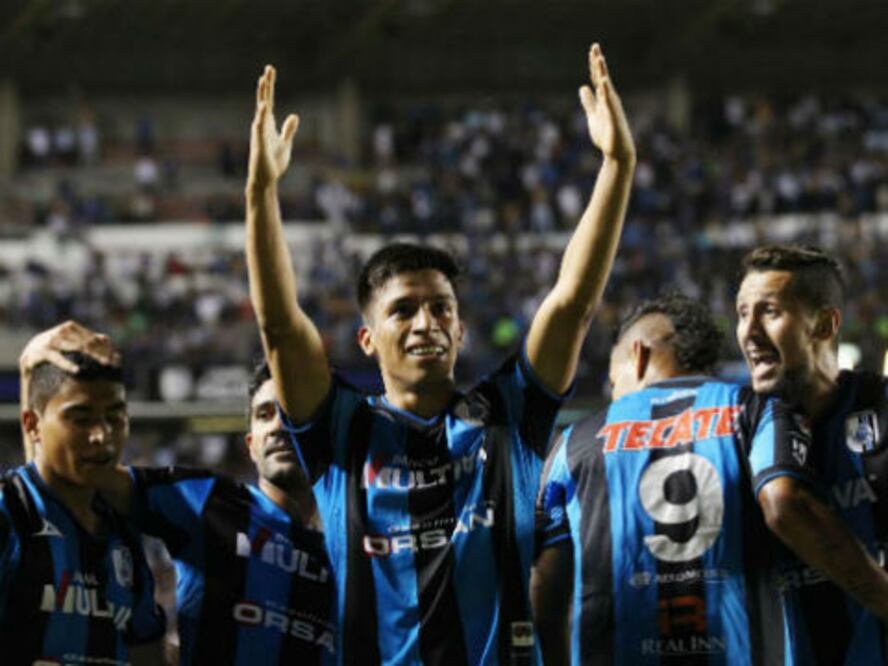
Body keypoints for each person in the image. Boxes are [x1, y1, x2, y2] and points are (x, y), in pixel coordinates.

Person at [245, 43, 635, 664]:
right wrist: (261, 192)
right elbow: (279, 327)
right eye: (403, 310)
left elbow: (572, 304)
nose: (425, 322)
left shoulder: (510, 413)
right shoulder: (340, 429)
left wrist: (617, 165)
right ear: (367, 339)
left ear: (460, 331)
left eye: (441, 309)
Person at [19, 322, 338, 665]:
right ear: (251, 445)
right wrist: (29, 373)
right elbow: (62, 476)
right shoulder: (207, 500)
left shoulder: (363, 542)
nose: (278, 426)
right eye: (264, 415)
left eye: (293, 414)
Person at [533, 294, 792, 665]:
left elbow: (546, 589)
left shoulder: (574, 442)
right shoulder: (757, 411)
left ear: (637, 354)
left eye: (612, 378)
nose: (613, 391)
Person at [736, 244, 888, 665]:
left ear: (824, 324)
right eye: (742, 313)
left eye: (769, 311)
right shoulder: (735, 432)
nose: (748, 332)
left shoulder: (880, 407)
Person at [1, 340, 167, 665]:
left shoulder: (124, 533)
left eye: (115, 418)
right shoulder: (10, 511)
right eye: (81, 419)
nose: (102, 436)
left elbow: (147, 653)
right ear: (32, 425)